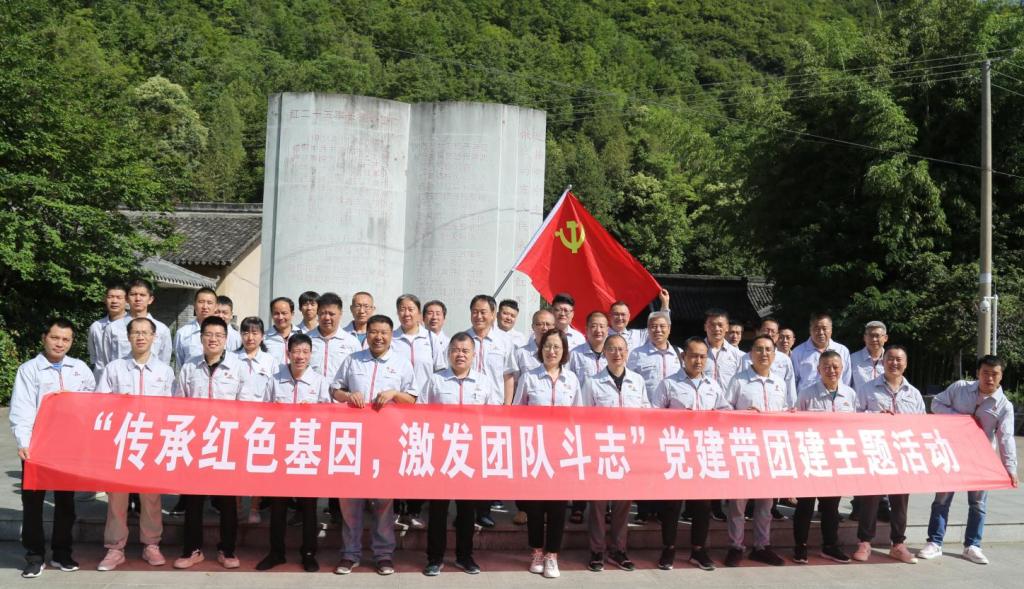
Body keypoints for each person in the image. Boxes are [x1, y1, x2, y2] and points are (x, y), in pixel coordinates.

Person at [10, 318, 95, 578]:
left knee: (65, 501)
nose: (60, 343)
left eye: (66, 339)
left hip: (68, 446)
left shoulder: (79, 368)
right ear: (44, 338)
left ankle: (61, 552)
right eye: (55, 338)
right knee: (33, 502)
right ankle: (35, 556)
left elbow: (92, 400)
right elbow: (22, 408)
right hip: (37, 445)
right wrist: (24, 442)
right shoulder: (29, 369)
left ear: (72, 342)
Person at [332, 315, 416, 576]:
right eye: (374, 332)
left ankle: (383, 555)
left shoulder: (402, 364)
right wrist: (348, 395)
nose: (379, 337)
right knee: (350, 500)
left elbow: (413, 399)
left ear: (391, 335)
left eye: (384, 332)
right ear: (366, 334)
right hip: (354, 441)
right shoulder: (352, 360)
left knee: (383, 501)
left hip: (386, 441)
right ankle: (350, 554)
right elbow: (335, 390)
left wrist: (395, 394)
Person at [918, 355, 1019, 565]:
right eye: (985, 373)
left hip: (981, 459)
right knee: (941, 500)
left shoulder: (1004, 406)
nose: (989, 378)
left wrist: (1011, 469)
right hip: (951, 454)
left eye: (994, 374)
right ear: (977, 373)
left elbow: (1006, 438)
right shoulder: (960, 388)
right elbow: (936, 404)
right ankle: (935, 542)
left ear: (1001, 376)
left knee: (978, 504)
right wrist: (959, 418)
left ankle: (973, 545)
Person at [174, 316, 257, 569]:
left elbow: (246, 405)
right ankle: (192, 549)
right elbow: (179, 403)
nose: (213, 339)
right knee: (194, 500)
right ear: (201, 338)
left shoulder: (238, 367)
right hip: (195, 442)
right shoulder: (189, 366)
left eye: (219, 335)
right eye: (208, 335)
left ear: (226, 339)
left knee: (227, 501)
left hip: (226, 442)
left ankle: (227, 550)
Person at [94, 317, 175, 571]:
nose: (140, 337)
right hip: (121, 441)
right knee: (117, 497)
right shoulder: (114, 368)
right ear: (128, 337)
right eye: (135, 333)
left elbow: (172, 408)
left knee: (151, 497)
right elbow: (99, 403)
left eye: (145, 333)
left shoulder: (165, 371)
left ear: (154, 337)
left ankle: (151, 544)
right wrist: (117, 403)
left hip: (151, 441)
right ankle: (115, 548)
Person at [419, 333, 503, 576]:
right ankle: (434, 558)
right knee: (438, 510)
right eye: (455, 350)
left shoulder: (484, 382)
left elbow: (494, 416)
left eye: (465, 350)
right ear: (448, 353)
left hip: (471, 455)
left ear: (474, 355)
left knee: (467, 510)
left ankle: (465, 556)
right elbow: (421, 413)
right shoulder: (436, 380)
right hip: (441, 454)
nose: (460, 354)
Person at [650, 337, 731, 571]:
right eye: (693, 355)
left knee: (703, 505)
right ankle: (669, 549)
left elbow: (726, 413)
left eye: (703, 357)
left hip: (703, 452)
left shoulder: (713, 386)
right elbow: (653, 416)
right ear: (683, 356)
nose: (698, 361)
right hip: (677, 452)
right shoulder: (668, 384)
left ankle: (698, 550)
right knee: (672, 505)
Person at [255, 333, 331, 572]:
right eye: (296, 351)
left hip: (307, 450)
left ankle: (308, 553)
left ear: (311, 355)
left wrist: (313, 412)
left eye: (305, 352)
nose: (300, 356)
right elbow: (264, 411)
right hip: (280, 451)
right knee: (278, 505)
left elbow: (328, 416)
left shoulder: (319, 381)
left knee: (308, 505)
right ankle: (276, 552)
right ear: (288, 353)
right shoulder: (275, 380)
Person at [514, 329, 582, 579]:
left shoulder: (572, 380)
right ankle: (536, 552)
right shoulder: (529, 378)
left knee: (557, 507)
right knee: (534, 506)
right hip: (535, 451)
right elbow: (517, 412)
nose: (551, 351)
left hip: (562, 452)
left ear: (564, 352)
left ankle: (552, 555)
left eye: (556, 347)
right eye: (547, 346)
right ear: (540, 349)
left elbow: (578, 416)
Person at [582, 334, 649, 572]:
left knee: (623, 503)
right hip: (601, 449)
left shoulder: (637, 381)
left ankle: (619, 549)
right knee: (598, 504)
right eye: (611, 349)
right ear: (605, 353)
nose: (617, 353)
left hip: (628, 450)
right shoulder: (592, 382)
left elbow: (645, 411)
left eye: (621, 349)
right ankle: (597, 550)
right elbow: (584, 416)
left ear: (627, 352)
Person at [852, 344, 924, 564]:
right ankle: (864, 542)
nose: (894, 363)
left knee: (900, 501)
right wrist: (875, 416)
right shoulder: (867, 389)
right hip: (875, 452)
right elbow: (854, 417)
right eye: (890, 359)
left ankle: (898, 544)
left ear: (906, 364)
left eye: (899, 359)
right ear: (883, 362)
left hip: (902, 454)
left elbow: (922, 424)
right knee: (870, 499)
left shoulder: (914, 394)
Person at [724, 335, 788, 568]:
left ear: (774, 354)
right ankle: (735, 546)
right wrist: (741, 415)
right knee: (738, 503)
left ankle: (762, 546)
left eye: (768, 350)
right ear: (750, 354)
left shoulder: (779, 383)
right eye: (759, 349)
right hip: (744, 448)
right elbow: (724, 411)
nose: (764, 354)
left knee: (766, 503)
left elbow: (786, 412)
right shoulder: (738, 381)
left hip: (770, 449)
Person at [792, 350, 855, 565]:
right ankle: (800, 546)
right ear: (818, 369)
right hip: (811, 457)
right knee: (805, 505)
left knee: (831, 507)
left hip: (836, 459)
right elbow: (795, 426)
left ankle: (830, 546)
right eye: (826, 367)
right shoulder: (807, 393)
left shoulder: (849, 394)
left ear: (842, 368)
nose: (831, 370)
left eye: (835, 366)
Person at [391, 294, 445, 529]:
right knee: (395, 459)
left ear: (419, 313)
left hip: (424, 409)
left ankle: (414, 508)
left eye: (411, 309)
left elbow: (440, 372)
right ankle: (395, 508)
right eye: (402, 309)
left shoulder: (431, 339)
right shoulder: (391, 338)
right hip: (396, 409)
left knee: (419, 458)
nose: (406, 313)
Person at [626, 310, 680, 524]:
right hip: (646, 418)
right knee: (645, 464)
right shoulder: (637, 354)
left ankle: (663, 509)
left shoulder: (679, 353)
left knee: (667, 464)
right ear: (647, 330)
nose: (658, 330)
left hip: (672, 421)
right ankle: (644, 509)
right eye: (653, 326)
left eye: (662, 326)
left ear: (669, 329)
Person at [565, 310, 610, 524]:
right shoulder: (575, 354)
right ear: (586, 329)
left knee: (605, 463)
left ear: (607, 329)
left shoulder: (614, 351)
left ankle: (605, 506)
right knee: (582, 463)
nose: (598, 330)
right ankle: (578, 506)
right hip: (582, 418)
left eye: (602, 326)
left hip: (607, 420)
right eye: (594, 326)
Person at [234, 316, 275, 525]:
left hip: (262, 422)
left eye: (255, 333)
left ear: (262, 336)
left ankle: (255, 507)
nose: (250, 337)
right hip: (237, 421)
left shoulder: (270, 361)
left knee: (259, 465)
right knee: (236, 466)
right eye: (246, 332)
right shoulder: (231, 359)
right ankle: (237, 507)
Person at [102, 278, 172, 367]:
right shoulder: (112, 328)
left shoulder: (162, 329)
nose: (138, 299)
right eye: (133, 294)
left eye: (142, 295)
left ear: (150, 299)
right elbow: (106, 361)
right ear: (127, 298)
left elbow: (164, 362)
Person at [465, 294, 517, 405]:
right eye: (475, 312)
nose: (478, 316)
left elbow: (508, 376)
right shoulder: (462, 340)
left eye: (483, 312)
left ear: (493, 314)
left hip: (494, 404)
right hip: (467, 402)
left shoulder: (504, 340)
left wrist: (507, 406)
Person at [791, 312, 851, 388]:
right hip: (807, 395)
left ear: (831, 330)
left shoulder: (842, 350)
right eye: (816, 329)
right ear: (810, 330)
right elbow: (793, 381)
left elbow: (846, 380)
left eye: (824, 328)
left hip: (835, 394)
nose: (821, 332)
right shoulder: (798, 352)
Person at [308, 292, 361, 380]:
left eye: (331, 314)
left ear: (340, 314)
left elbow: (357, 373)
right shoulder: (306, 339)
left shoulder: (352, 342)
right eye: (322, 313)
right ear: (317, 313)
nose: (327, 318)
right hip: (311, 388)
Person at [88, 283, 126, 376]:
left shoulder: (133, 326)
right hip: (101, 377)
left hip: (125, 377)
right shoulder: (96, 326)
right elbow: (93, 356)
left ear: (126, 300)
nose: (114, 301)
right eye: (110, 297)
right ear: (105, 299)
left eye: (119, 297)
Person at [703, 308, 744, 390]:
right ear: (705, 327)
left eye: (720, 325)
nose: (716, 328)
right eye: (712, 324)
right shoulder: (694, 353)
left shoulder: (738, 355)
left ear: (727, 327)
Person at [850, 321, 888, 391]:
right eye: (870, 335)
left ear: (885, 338)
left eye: (877, 336)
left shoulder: (891, 360)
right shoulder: (853, 359)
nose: (874, 339)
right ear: (864, 337)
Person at [264, 296, 297, 366]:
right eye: (276, 313)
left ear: (292, 314)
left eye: (284, 313)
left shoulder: (302, 335)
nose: (280, 317)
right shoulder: (264, 338)